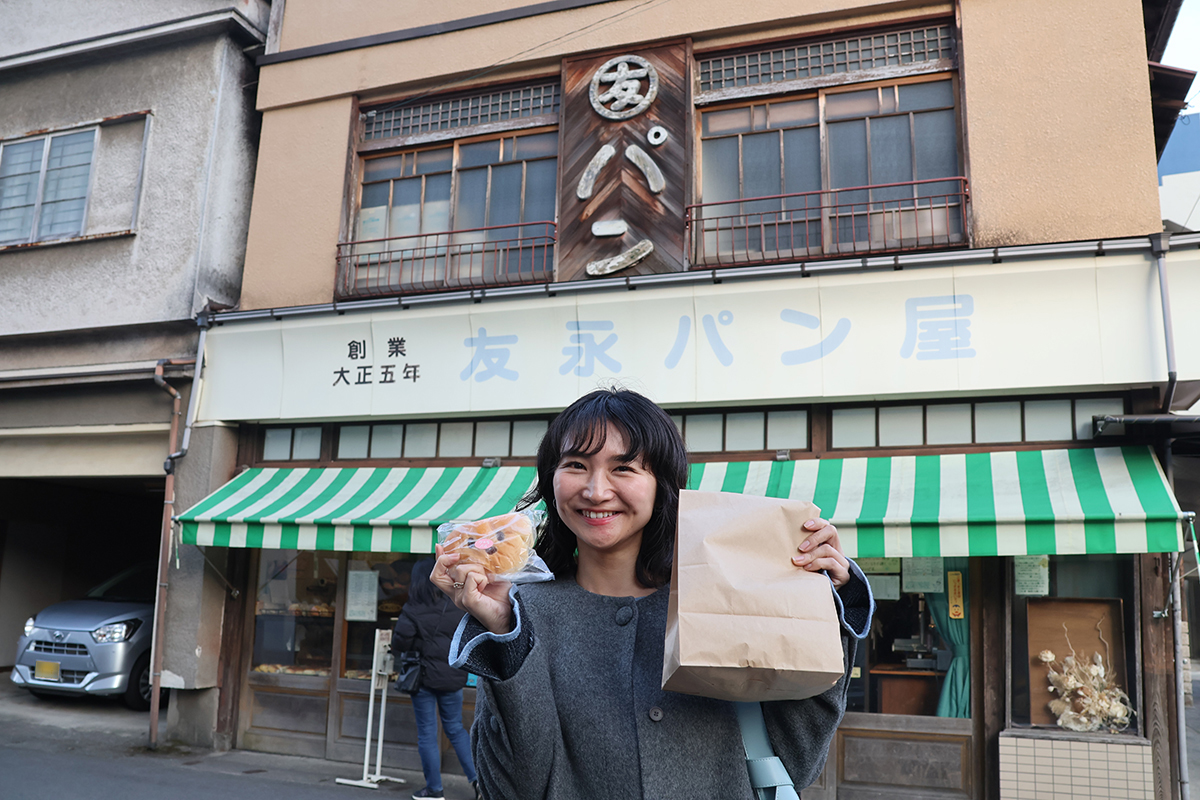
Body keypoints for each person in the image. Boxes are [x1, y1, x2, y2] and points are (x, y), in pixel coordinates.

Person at [433, 388, 873, 800]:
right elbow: (510, 788)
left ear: (662, 482)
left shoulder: (724, 596)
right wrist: (504, 633)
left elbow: (799, 756)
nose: (596, 490)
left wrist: (826, 600)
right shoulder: (523, 615)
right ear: (551, 479)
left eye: (623, 468)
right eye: (576, 465)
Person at [392, 558, 481, 800]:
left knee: (427, 733)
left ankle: (434, 789)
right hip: (453, 677)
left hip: (423, 679)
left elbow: (400, 642)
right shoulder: (456, 604)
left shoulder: (413, 608)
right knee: (456, 729)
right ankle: (479, 782)